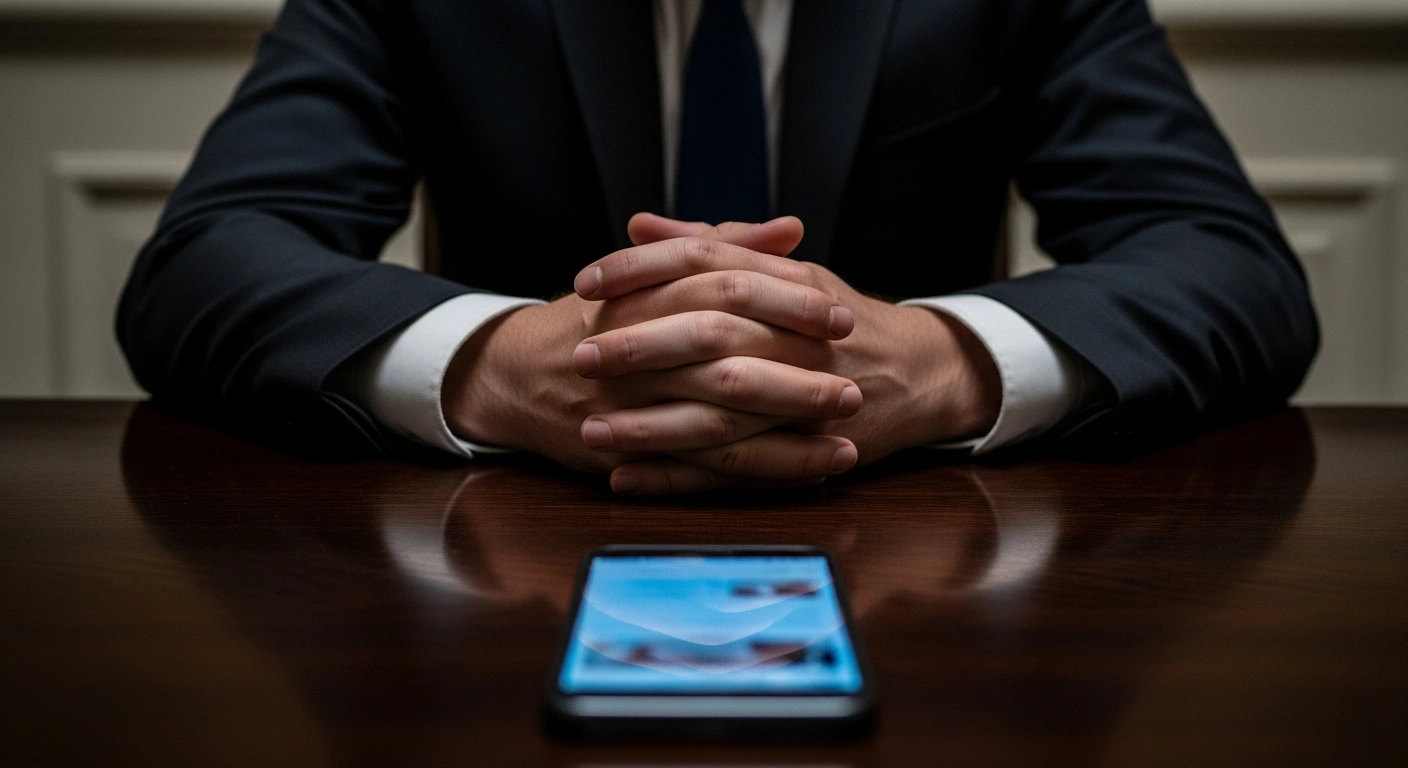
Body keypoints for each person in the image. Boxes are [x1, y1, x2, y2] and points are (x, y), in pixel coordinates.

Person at [116, 0, 1319, 495]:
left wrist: (949, 361)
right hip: (500, 564)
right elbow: (209, 256)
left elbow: (1227, 262)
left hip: (925, 571)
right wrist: (487, 363)